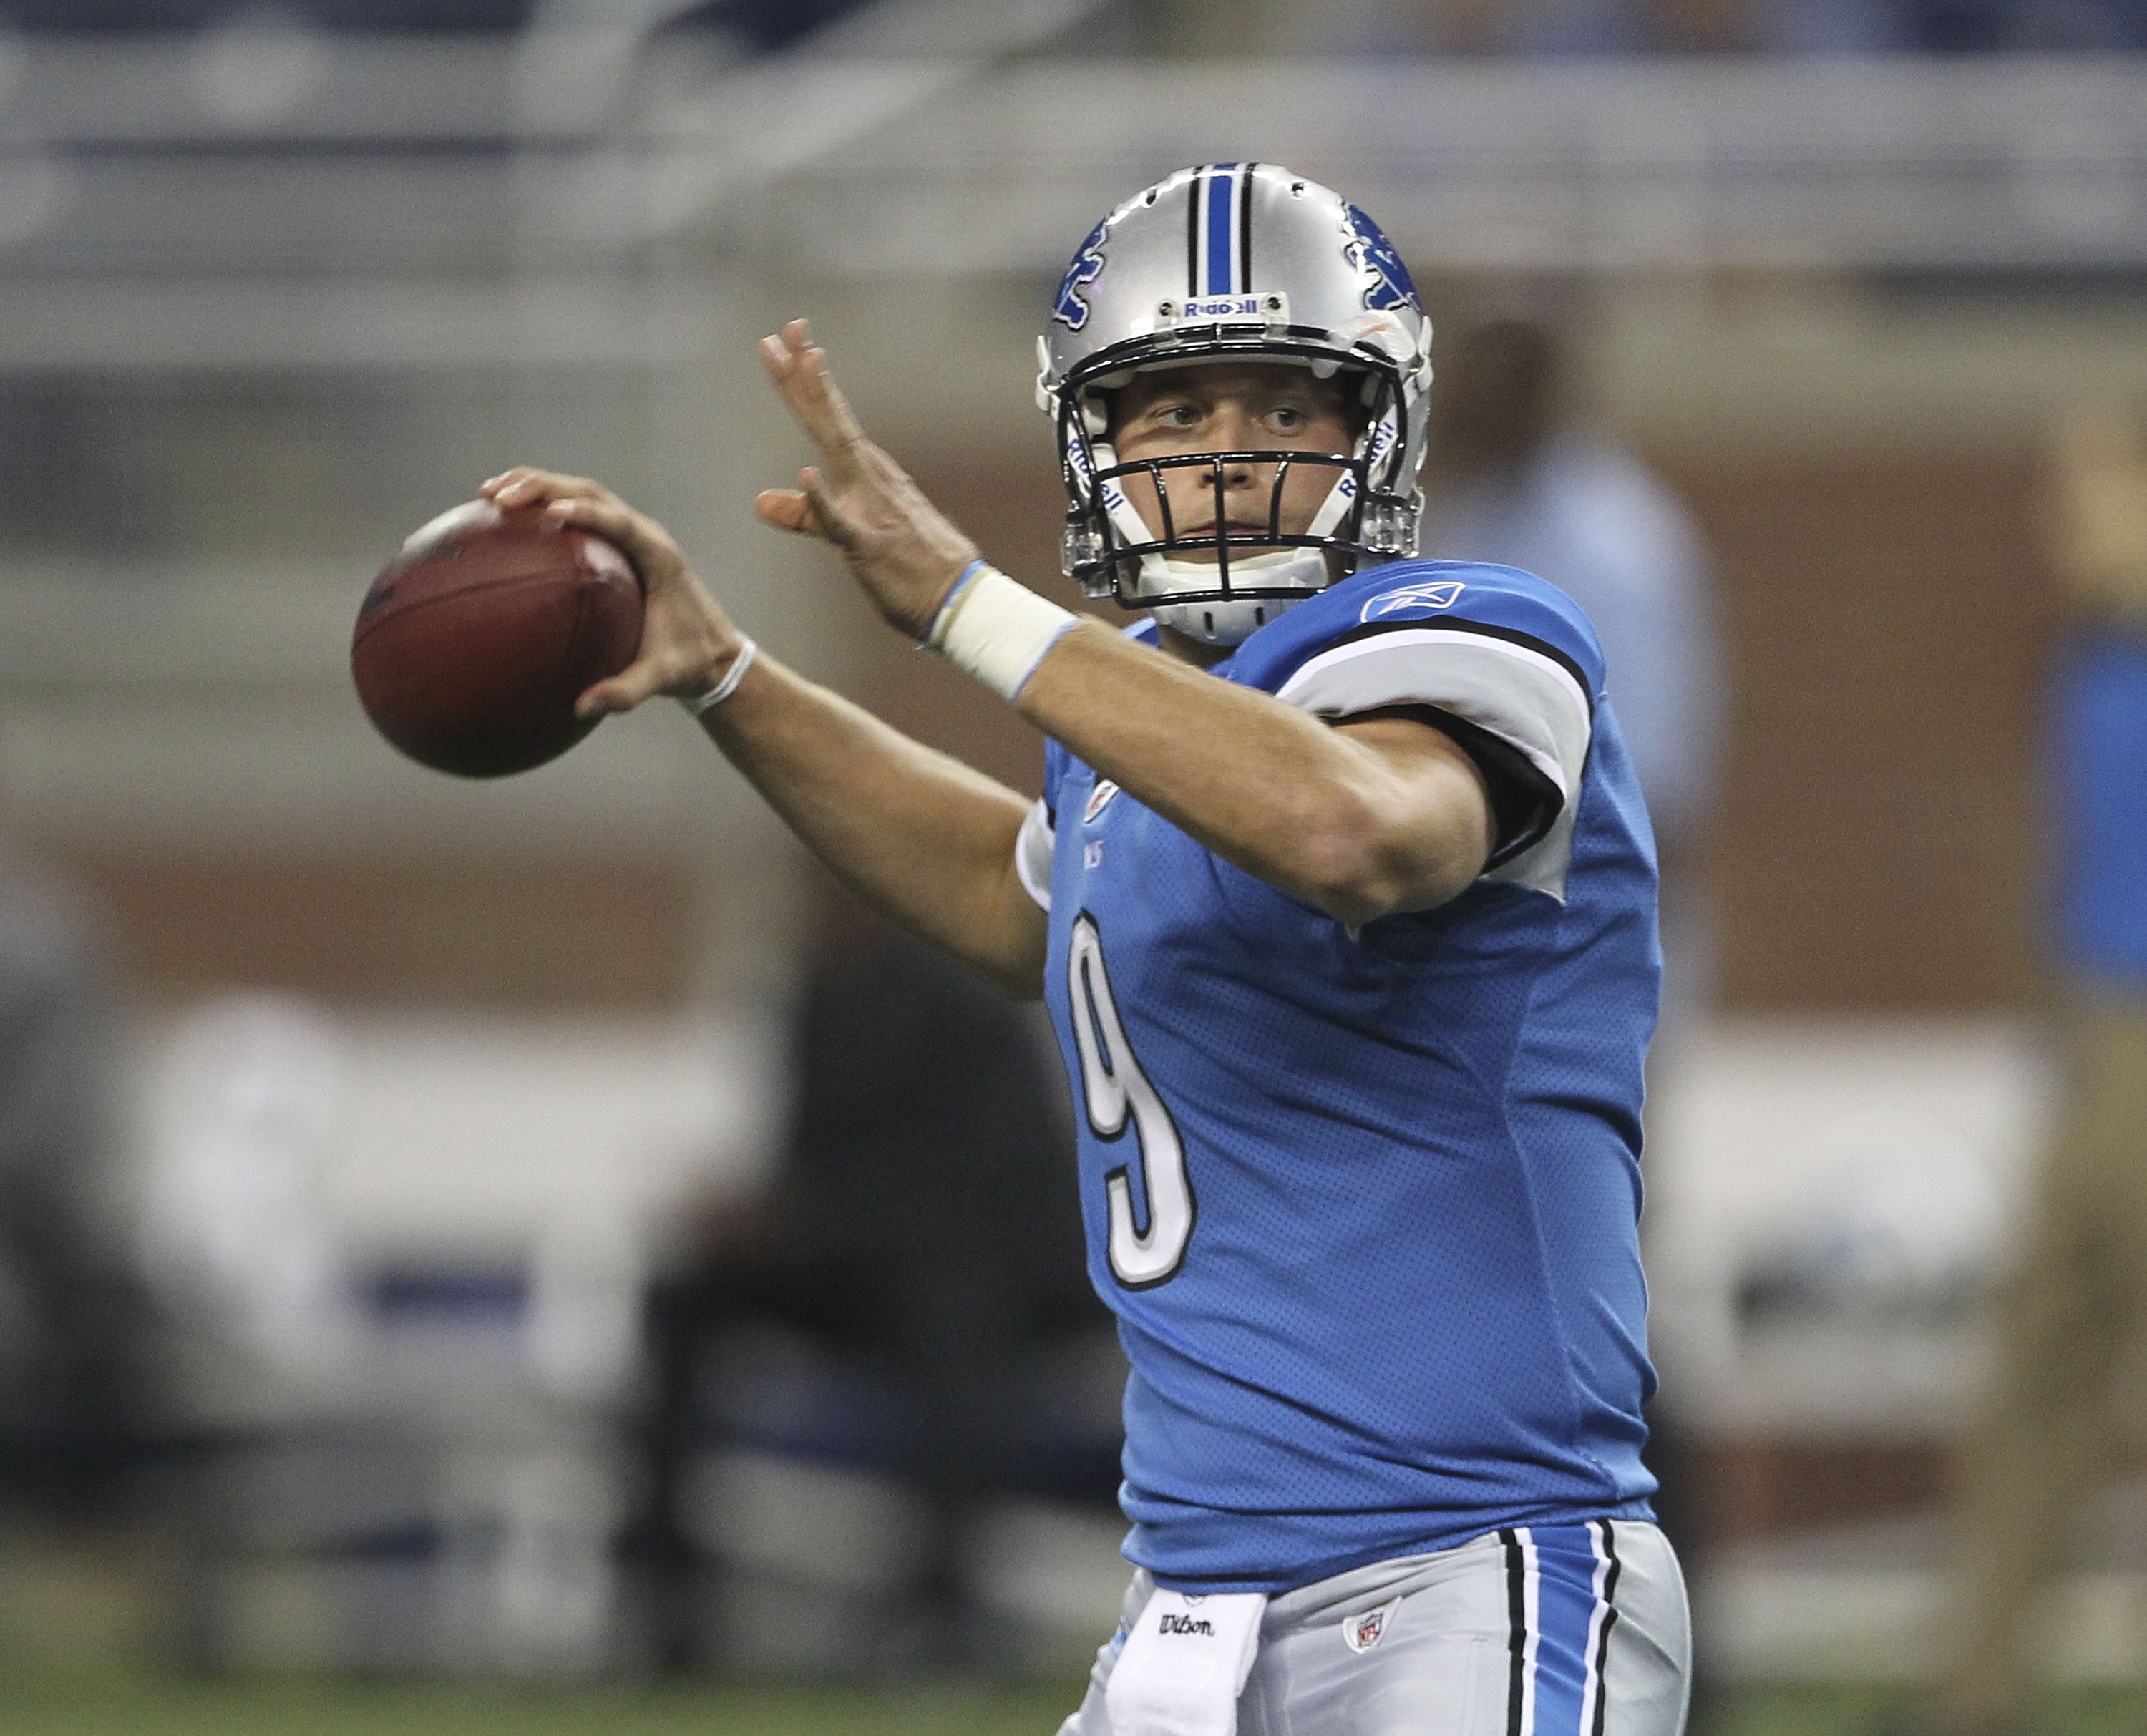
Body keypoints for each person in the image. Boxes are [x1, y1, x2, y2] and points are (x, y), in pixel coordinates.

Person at [484, 162, 1690, 1736]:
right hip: (1188, 1615)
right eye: (1171, 415)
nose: (1224, 461)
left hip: (1463, 1579)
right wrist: (730, 682)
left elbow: (1360, 831)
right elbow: (1021, 898)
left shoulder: (1479, 633)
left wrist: (966, 608)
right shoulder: (1128, 718)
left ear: (1377, 427)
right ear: (1094, 443)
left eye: (1282, 407)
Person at [628, 911, 1106, 1674]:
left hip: (995, 1275)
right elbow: (812, 1156)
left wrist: (808, 1218)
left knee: (952, 1313)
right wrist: (766, 1217)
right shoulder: (815, 1000)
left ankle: (938, 1611)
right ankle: (664, 1598)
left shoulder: (965, 998)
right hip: (863, 1267)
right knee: (686, 1291)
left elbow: (983, 1189)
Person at [1912, 403, 2147, 1736]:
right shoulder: (2086, 648)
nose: (2064, 523)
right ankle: (1979, 1689)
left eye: (2094, 489)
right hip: (2094, 1030)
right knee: (2039, 1368)